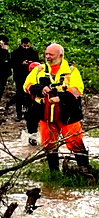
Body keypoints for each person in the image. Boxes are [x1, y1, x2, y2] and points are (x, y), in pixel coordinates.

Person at [24, 44, 90, 172]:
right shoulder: (39, 69)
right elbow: (27, 85)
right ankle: (54, 173)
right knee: (49, 144)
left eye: (51, 55)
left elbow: (77, 89)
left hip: (68, 114)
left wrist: (61, 98)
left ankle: (85, 170)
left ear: (60, 56)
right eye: (46, 54)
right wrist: (40, 88)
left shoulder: (72, 71)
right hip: (45, 114)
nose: (47, 57)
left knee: (75, 141)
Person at [11, 37, 37, 122]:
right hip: (19, 77)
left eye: (27, 46)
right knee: (19, 94)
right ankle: (19, 113)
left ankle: (28, 113)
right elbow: (12, 64)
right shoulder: (15, 53)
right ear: (21, 44)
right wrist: (21, 64)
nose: (26, 48)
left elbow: (37, 64)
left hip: (30, 77)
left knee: (30, 95)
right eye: (24, 46)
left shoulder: (33, 53)